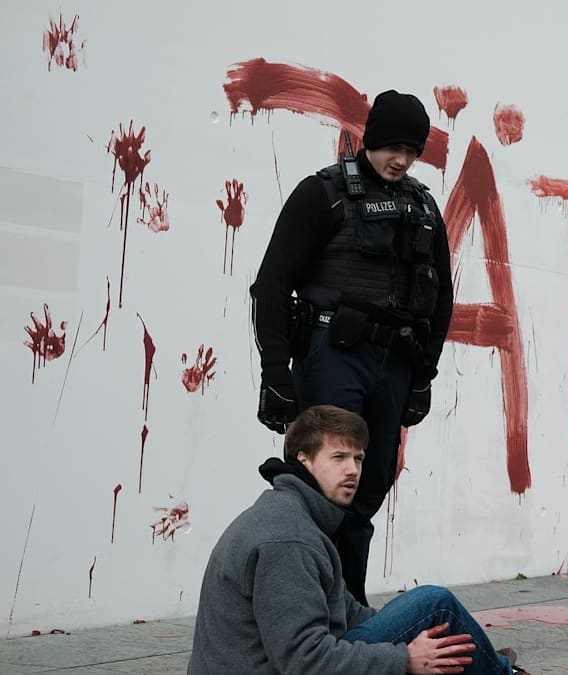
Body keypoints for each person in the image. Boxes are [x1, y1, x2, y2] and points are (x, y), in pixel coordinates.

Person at [250, 90, 455, 604]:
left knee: (367, 488)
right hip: (333, 355)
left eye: (412, 151)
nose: (402, 160)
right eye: (393, 148)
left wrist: (423, 376)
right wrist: (276, 372)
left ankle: (349, 611)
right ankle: (298, 607)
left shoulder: (425, 208)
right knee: (322, 482)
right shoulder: (323, 194)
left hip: (394, 365)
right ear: (371, 139)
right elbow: (271, 285)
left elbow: (442, 299)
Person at [189, 405, 524, 674]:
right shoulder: (288, 539)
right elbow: (305, 661)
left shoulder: (299, 518)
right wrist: (403, 659)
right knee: (435, 605)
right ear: (303, 459)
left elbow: (351, 615)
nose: (352, 470)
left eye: (358, 458)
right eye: (338, 458)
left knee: (431, 623)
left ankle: (488, 663)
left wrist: (414, 636)